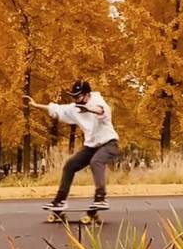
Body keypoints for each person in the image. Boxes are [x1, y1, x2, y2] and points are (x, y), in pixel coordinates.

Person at [25, 80, 119, 211]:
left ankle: (100, 198)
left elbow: (102, 111)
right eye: (74, 97)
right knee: (70, 166)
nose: (76, 100)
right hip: (91, 147)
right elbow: (56, 109)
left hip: (109, 144)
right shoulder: (74, 108)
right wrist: (35, 105)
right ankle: (60, 200)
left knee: (96, 162)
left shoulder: (97, 100)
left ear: (87, 95)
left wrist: (90, 109)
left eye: (78, 96)